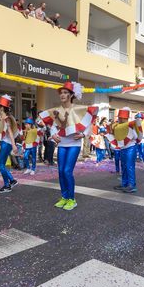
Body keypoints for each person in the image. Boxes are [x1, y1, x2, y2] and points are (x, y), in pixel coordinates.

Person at [40, 82, 97, 210]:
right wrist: (53, 135)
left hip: (74, 144)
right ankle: (64, 197)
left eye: (65, 92)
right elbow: (52, 126)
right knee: (60, 171)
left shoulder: (78, 109)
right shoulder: (56, 110)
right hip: (62, 144)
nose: (62, 95)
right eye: (61, 92)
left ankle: (72, 199)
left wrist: (83, 134)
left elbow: (89, 122)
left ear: (71, 95)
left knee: (67, 171)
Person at [0, 95, 19, 193]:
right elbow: (3, 132)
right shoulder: (3, 118)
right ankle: (11, 181)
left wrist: (13, 145)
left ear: (1, 107)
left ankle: (7, 185)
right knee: (1, 164)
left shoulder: (6, 118)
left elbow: (10, 132)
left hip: (7, 144)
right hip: (5, 143)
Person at [111, 108, 138, 193]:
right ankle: (124, 183)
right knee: (124, 166)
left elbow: (135, 136)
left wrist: (125, 139)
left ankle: (132, 185)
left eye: (119, 117)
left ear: (123, 118)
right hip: (123, 148)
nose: (118, 119)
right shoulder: (118, 126)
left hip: (130, 148)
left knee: (129, 166)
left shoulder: (130, 125)